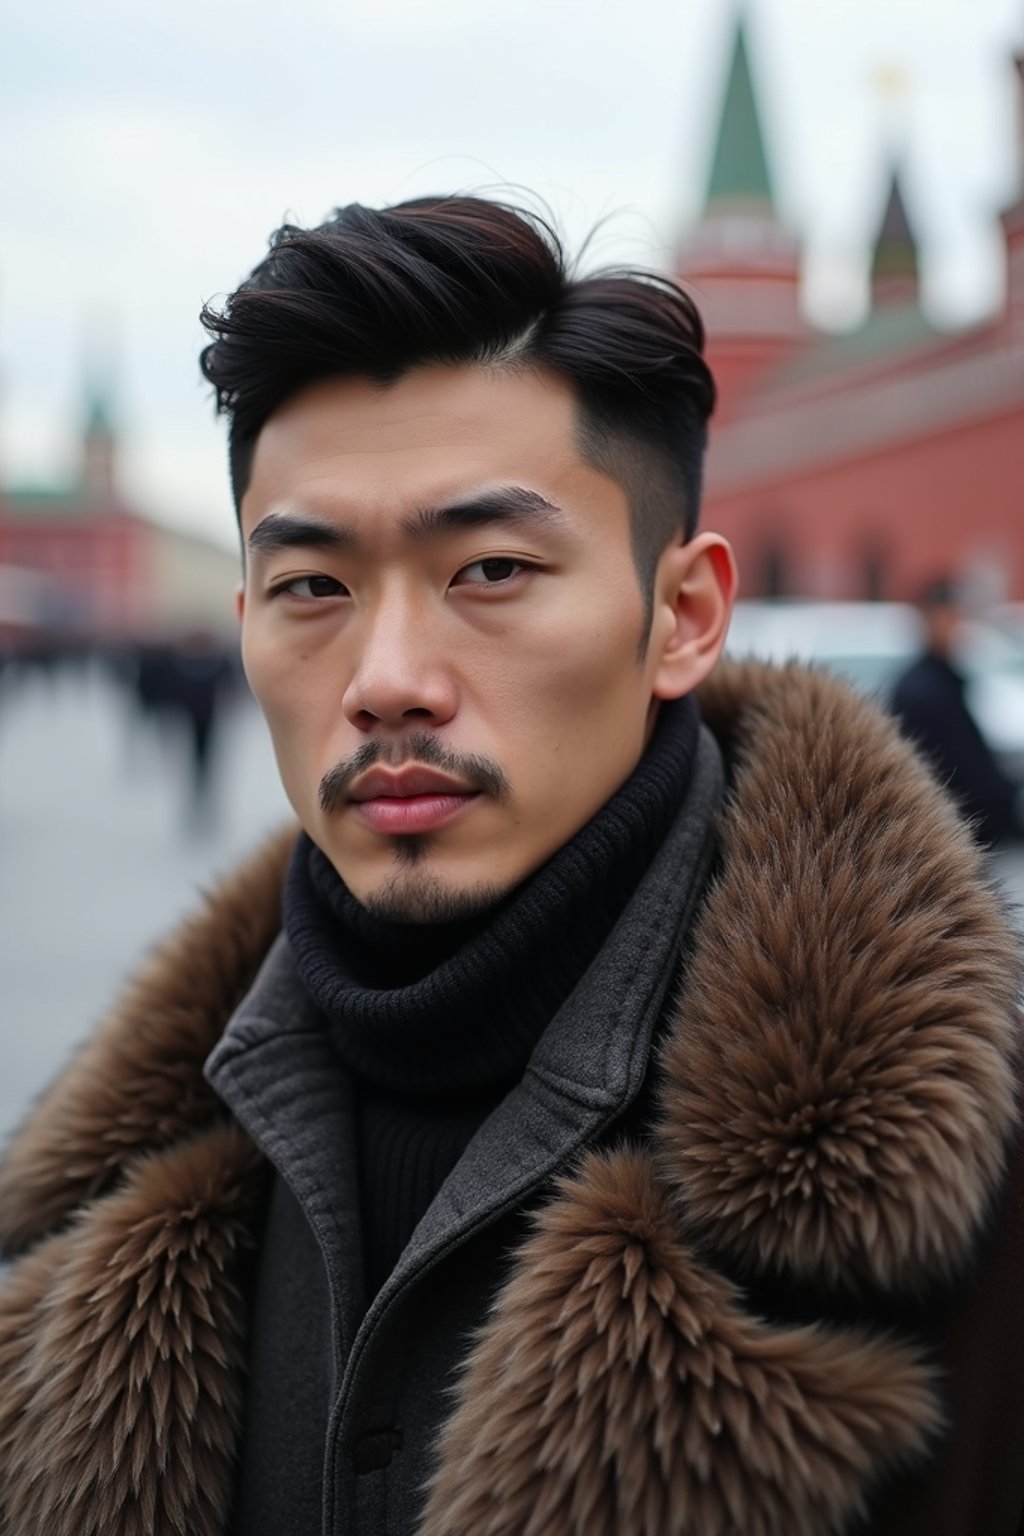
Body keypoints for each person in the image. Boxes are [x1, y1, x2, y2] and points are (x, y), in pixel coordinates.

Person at [1, 197, 1021, 1536]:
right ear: (244, 623)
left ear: (682, 617)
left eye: (489, 568)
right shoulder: (95, 1204)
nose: (387, 685)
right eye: (314, 588)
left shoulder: (977, 1201)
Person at [891, 577, 1022, 847]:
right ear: (928, 619)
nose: (953, 627)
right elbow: (946, 766)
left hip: (969, 825)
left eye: (956, 618)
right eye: (947, 617)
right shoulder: (921, 688)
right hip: (949, 828)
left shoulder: (945, 679)